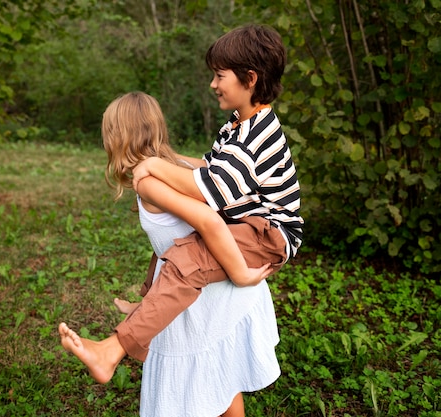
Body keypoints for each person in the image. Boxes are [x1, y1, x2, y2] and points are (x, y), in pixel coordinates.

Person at [59, 23, 303, 388]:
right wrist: (166, 158)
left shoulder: (255, 136)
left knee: (187, 257)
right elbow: (207, 167)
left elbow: (208, 192)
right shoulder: (237, 126)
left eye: (220, 75)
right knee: (175, 244)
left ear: (249, 79)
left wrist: (155, 166)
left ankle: (112, 351)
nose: (213, 84)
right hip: (249, 222)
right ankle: (147, 306)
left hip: (270, 233)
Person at [60, 91, 281, 416]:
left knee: (190, 394)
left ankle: (110, 352)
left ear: (117, 137)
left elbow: (207, 222)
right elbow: (171, 241)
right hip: (206, 288)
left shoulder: (150, 183)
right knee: (222, 382)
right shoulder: (174, 166)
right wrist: (149, 294)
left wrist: (241, 273)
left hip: (207, 299)